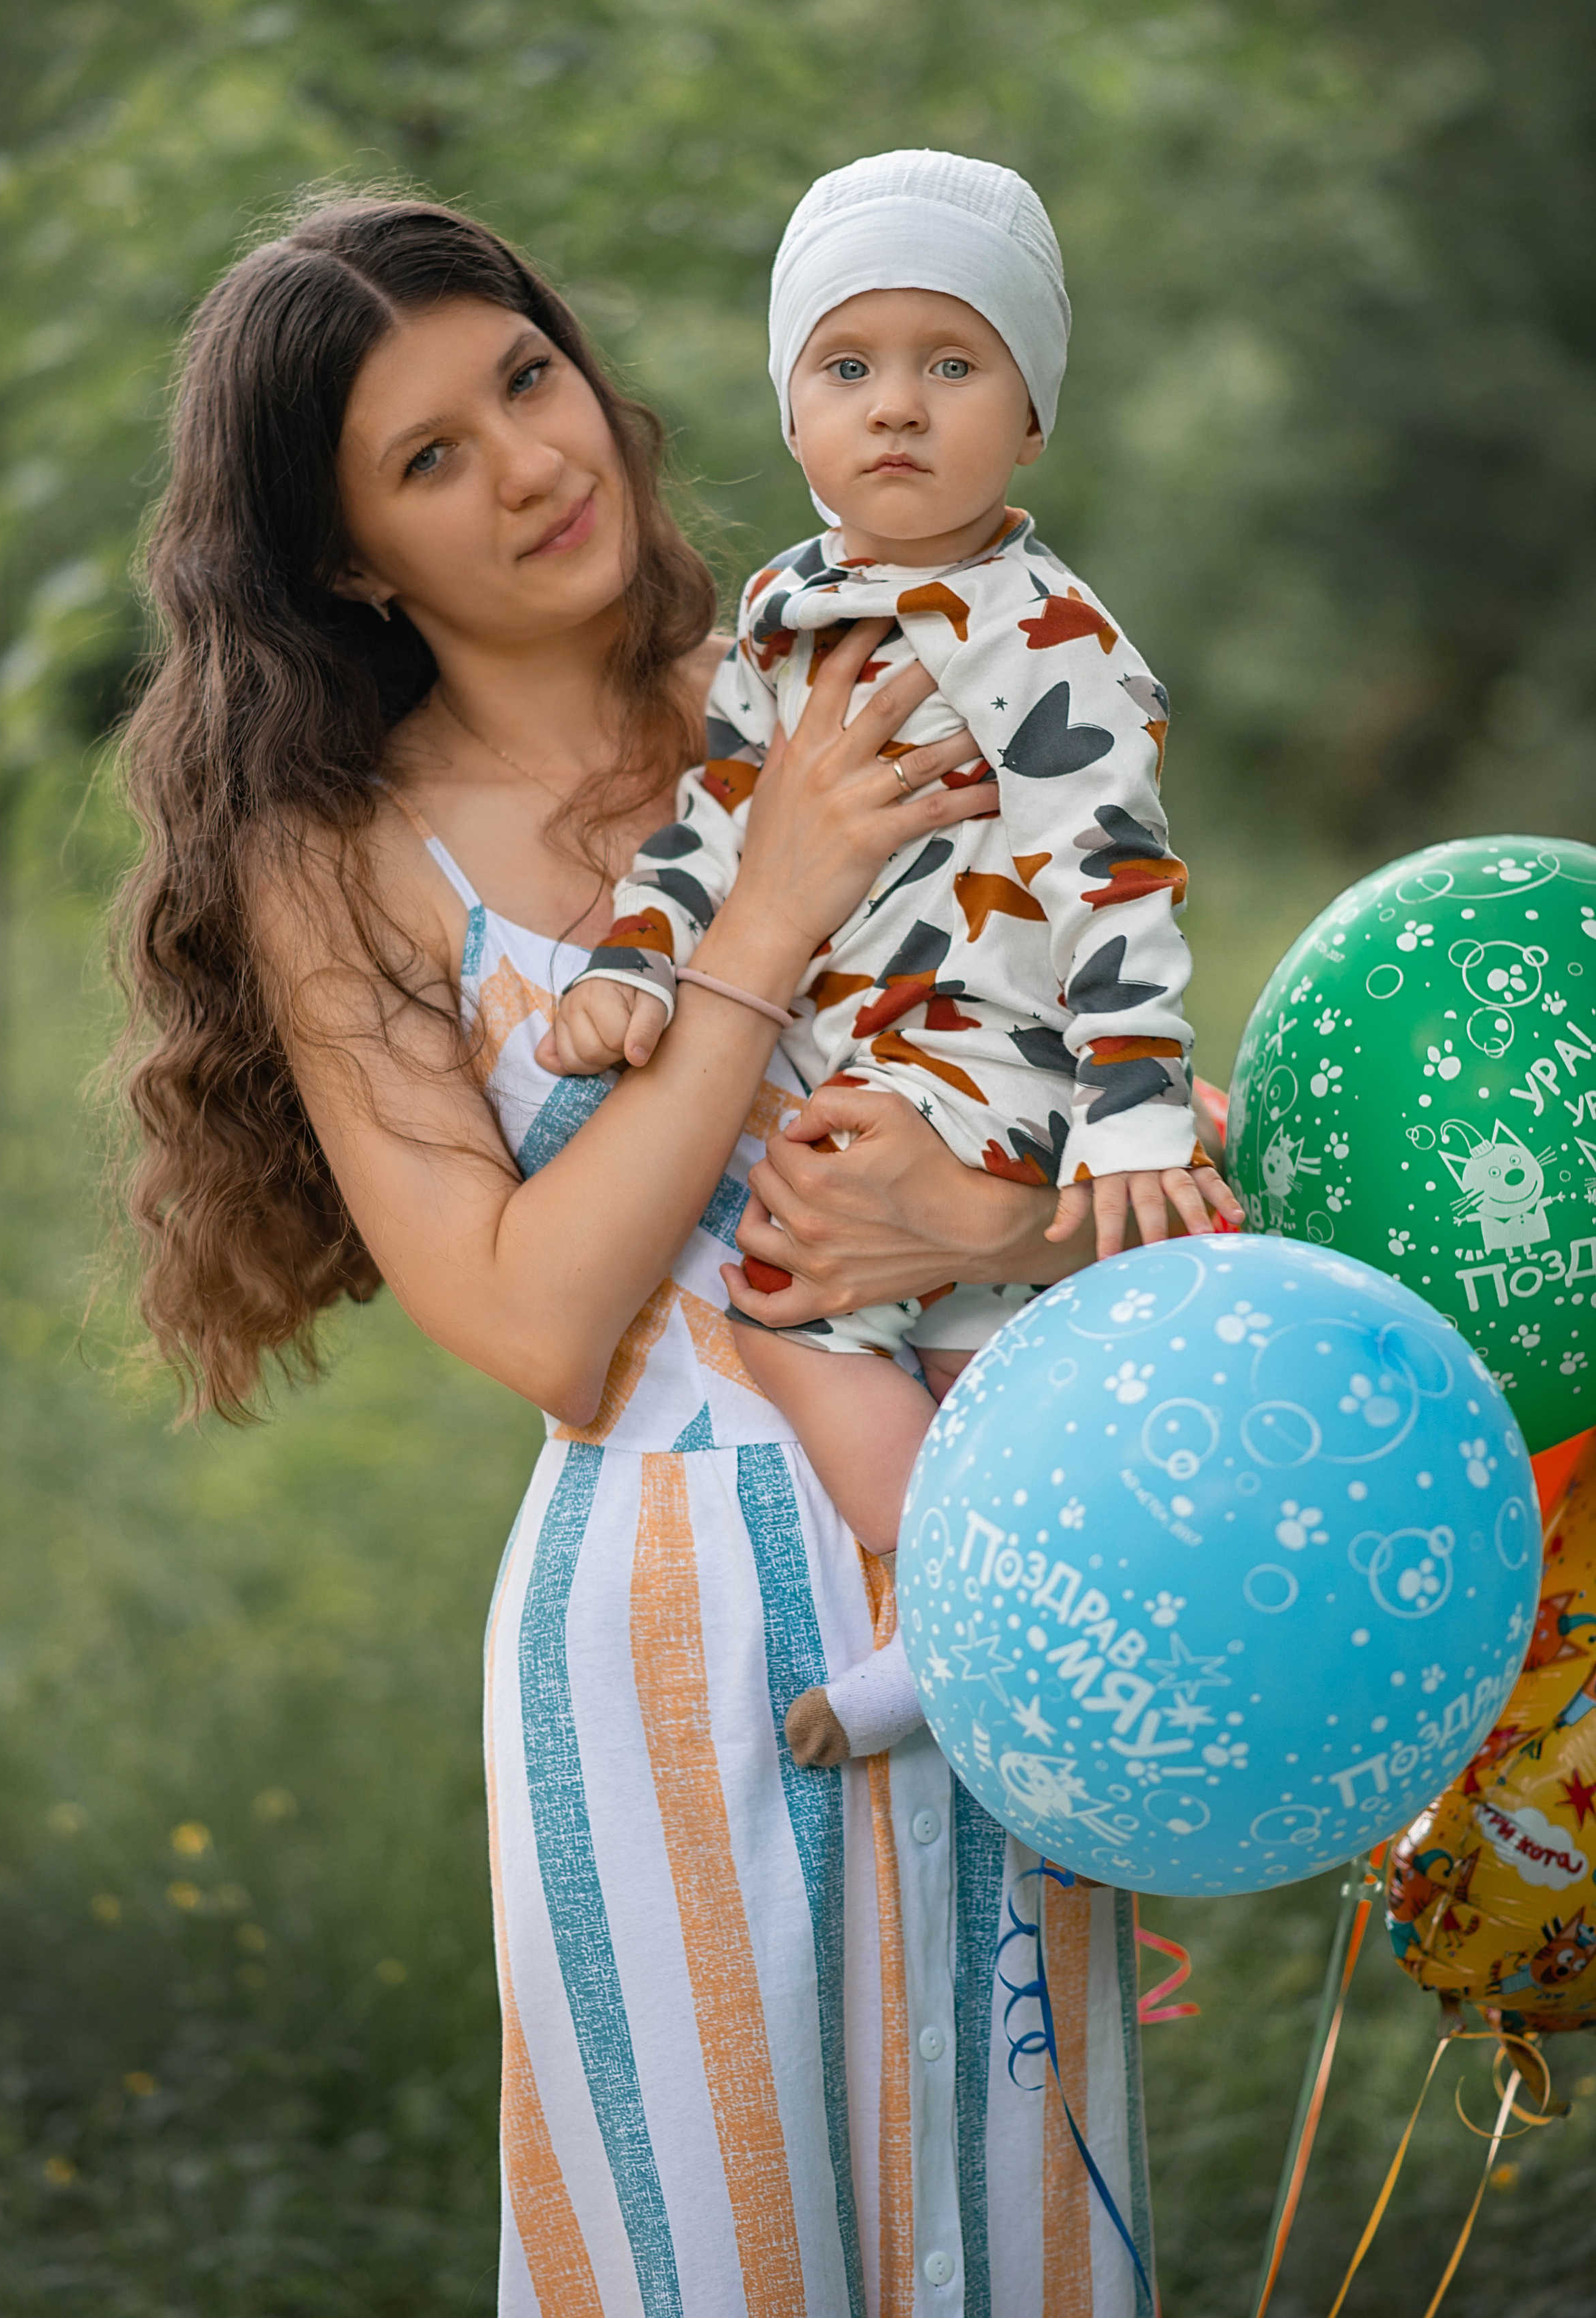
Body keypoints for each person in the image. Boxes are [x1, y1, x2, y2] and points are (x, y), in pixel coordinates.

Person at [111, 192, 1162, 2315]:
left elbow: (1129, 1096)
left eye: (524, 377)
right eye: (427, 458)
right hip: (662, 1644)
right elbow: (534, 1317)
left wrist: (989, 1213)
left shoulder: (858, 655)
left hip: (994, 1561)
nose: (528, 460)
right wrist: (764, 913)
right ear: (345, 557)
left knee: (1003, 2240)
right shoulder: (342, 856)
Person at [551, 151, 1241, 1770]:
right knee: (866, 1346)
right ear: (791, 415)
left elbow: (1113, 872)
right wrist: (640, 966)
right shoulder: (784, 610)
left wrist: (1132, 1101)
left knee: (811, 1312)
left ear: (1030, 416)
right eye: (847, 367)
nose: (898, 408)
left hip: (998, 1061)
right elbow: (714, 822)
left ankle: (962, 1627)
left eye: (953, 364)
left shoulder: (1041, 631)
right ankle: (969, 1619)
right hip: (855, 1083)